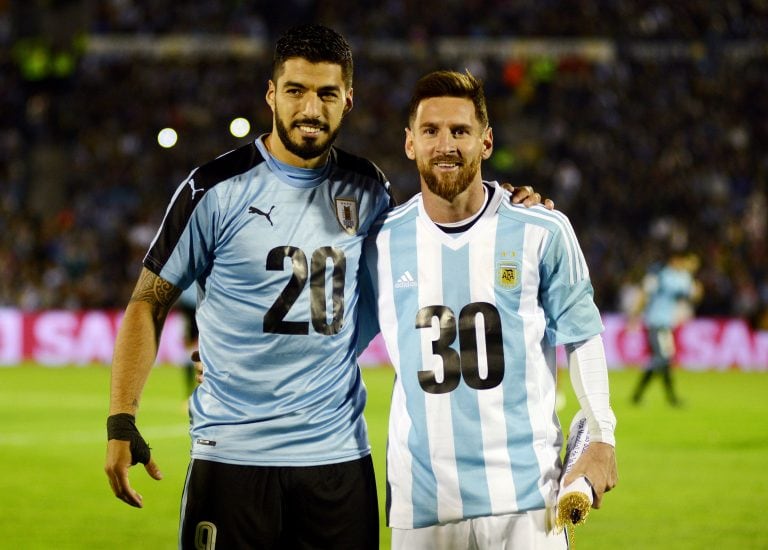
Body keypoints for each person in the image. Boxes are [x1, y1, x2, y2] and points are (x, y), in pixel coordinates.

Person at [104, 25, 546, 549]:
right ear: (271, 94)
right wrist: (121, 418)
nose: (310, 108)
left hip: (336, 462)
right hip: (232, 459)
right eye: (295, 91)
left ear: (347, 101)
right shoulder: (213, 189)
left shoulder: (369, 189)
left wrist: (510, 205)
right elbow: (148, 302)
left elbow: (427, 251)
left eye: (326, 94)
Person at [360, 70, 618, 549]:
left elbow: (582, 335)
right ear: (410, 143)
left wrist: (601, 432)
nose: (446, 144)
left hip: (529, 502)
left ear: (486, 141)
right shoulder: (380, 242)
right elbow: (330, 343)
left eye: (460, 131)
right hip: (424, 507)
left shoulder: (542, 230)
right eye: (431, 130)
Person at [631, 249, 702, 406]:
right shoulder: (663, 275)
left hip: (666, 325)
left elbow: (694, 296)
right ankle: (671, 398)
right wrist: (635, 314)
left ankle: (638, 395)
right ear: (674, 260)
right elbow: (645, 293)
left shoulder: (684, 277)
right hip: (655, 322)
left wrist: (696, 283)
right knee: (663, 359)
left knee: (660, 360)